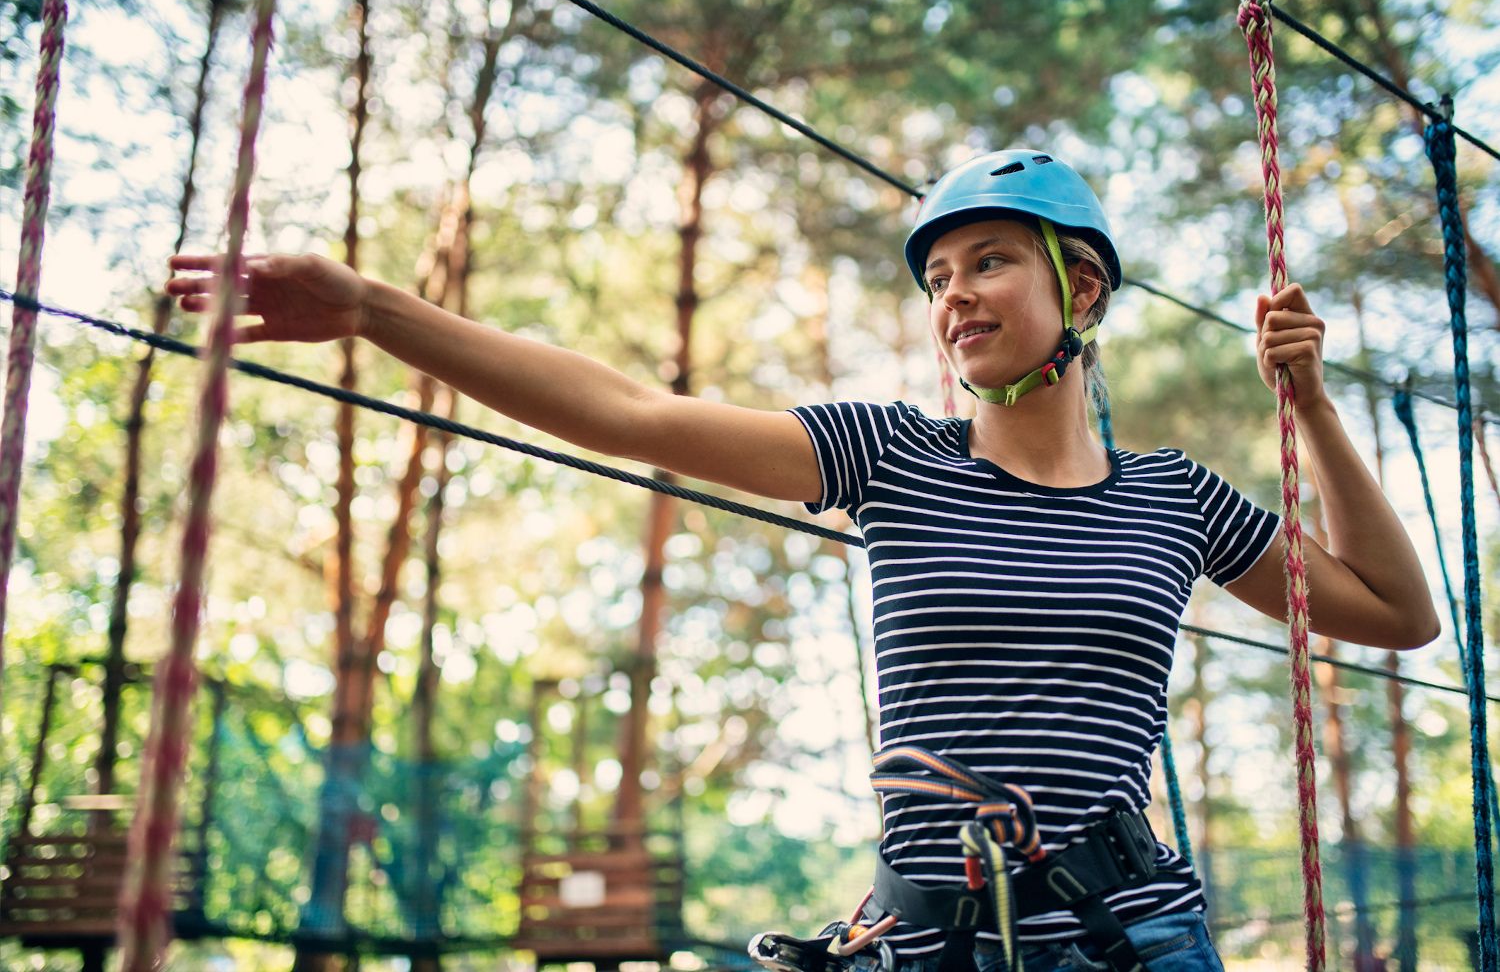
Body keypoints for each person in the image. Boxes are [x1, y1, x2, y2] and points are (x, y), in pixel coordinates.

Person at [168, 149, 1438, 971]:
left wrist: (1312, 407)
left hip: (1128, 936)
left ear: (1084, 289)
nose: (955, 296)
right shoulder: (890, 455)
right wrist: (380, 311)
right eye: (938, 277)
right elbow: (634, 416)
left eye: (989, 260)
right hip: (927, 940)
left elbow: (1396, 611)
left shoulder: (1175, 499)